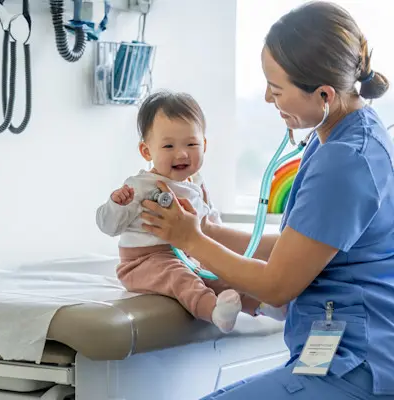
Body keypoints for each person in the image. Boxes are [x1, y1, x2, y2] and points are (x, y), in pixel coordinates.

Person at [140, 2, 394, 399]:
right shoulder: (343, 134)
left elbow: (277, 285)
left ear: (323, 95)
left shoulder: (345, 160)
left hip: (356, 366)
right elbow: (298, 247)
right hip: (334, 355)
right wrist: (205, 229)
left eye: (276, 90)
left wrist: (192, 241)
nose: (266, 97)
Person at [96, 91, 284, 334]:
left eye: (191, 144)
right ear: (146, 151)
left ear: (204, 144)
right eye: (168, 146)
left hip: (188, 253)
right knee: (181, 279)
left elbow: (210, 222)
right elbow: (108, 226)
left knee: (222, 275)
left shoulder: (195, 182)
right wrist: (116, 204)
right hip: (145, 261)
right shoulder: (140, 186)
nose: (182, 153)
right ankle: (214, 313)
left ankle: (261, 305)